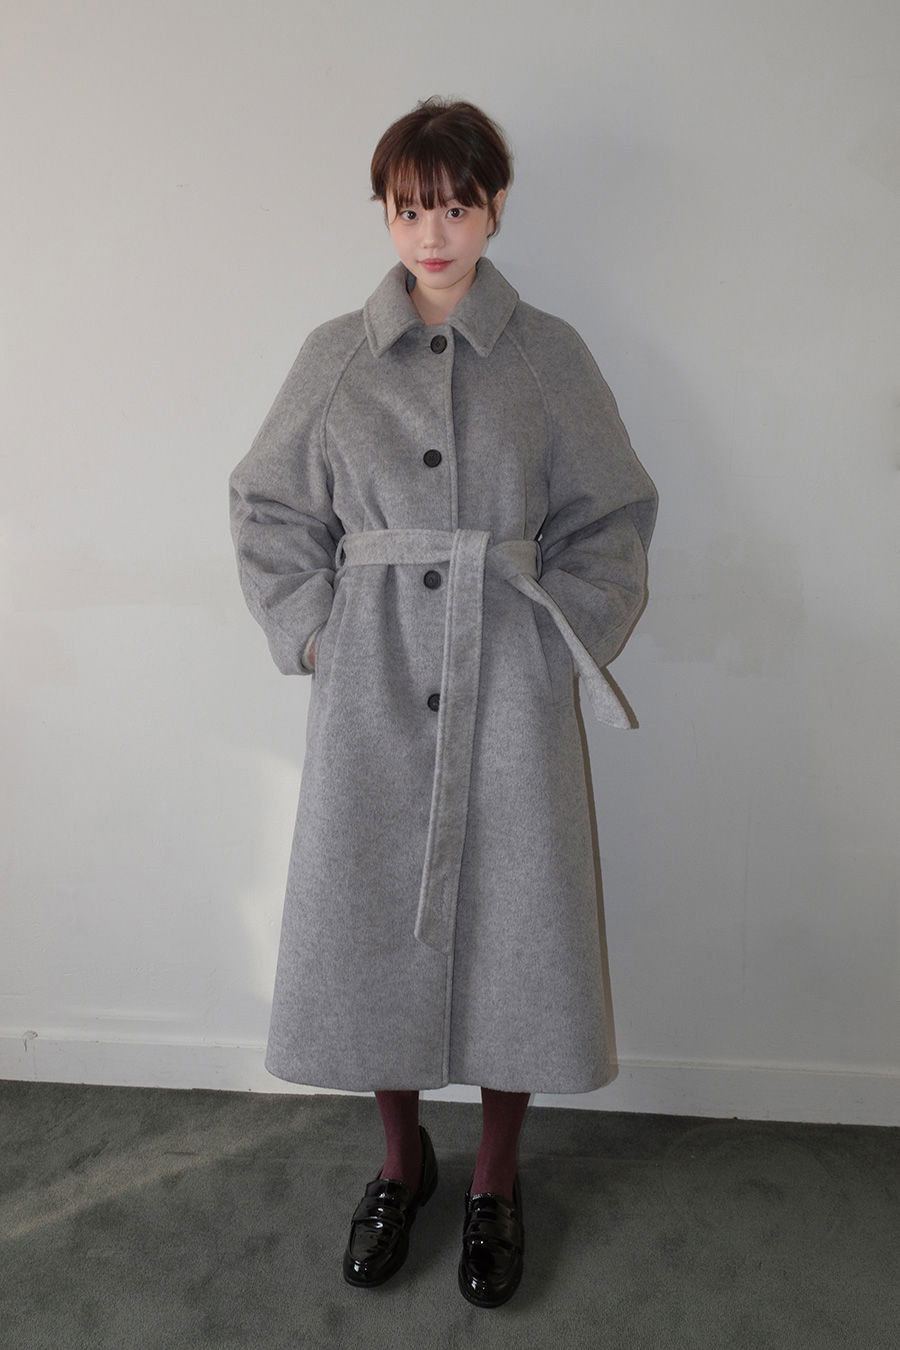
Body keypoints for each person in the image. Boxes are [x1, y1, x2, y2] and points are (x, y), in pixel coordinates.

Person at [228, 97, 658, 1308]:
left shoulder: (548, 355)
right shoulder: (336, 356)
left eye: (457, 206)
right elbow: (266, 506)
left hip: (507, 680)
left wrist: (564, 636)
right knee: (375, 915)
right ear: (385, 212)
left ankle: (498, 1179)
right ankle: (399, 1161)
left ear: (495, 207)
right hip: (371, 684)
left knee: (521, 922)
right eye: (411, 208)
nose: (433, 232)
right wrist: (315, 632)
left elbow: (613, 517)